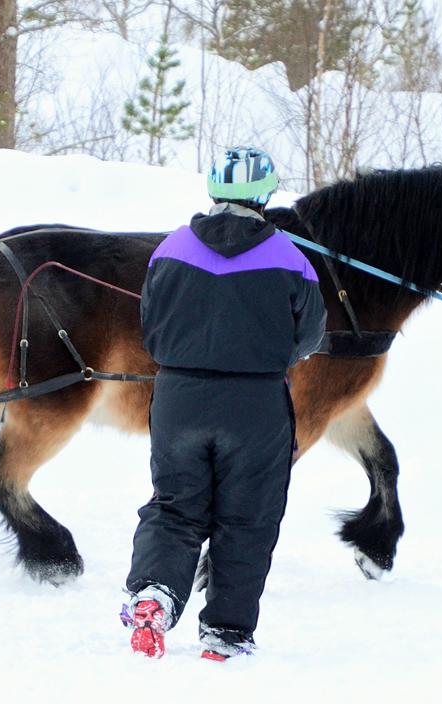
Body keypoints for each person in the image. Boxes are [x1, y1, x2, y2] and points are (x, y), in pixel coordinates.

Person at [120, 147, 327, 661]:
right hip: (256, 405)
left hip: (177, 399)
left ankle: (153, 595)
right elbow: (311, 334)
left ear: (214, 190)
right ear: (264, 195)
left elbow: (150, 324)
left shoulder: (170, 249)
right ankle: (227, 633)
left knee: (175, 505)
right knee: (247, 518)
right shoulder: (290, 257)